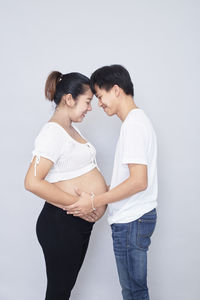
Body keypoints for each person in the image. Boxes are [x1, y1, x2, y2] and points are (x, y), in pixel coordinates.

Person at [65, 65, 158, 300]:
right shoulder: (137, 121)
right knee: (134, 290)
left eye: (100, 96)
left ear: (116, 90)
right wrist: (103, 189)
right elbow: (132, 179)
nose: (99, 103)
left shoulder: (134, 125)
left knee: (134, 292)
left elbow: (138, 182)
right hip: (134, 220)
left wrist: (95, 200)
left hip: (131, 220)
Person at [24, 71, 107, 300]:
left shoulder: (71, 128)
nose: (90, 107)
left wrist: (98, 197)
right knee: (59, 292)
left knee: (64, 291)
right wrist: (80, 203)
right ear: (69, 99)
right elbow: (32, 182)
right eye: (88, 101)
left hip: (75, 223)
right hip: (61, 224)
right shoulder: (52, 132)